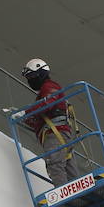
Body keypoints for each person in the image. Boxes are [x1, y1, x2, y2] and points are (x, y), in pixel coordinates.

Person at [21, 58, 79, 186]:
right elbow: (42, 115)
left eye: (31, 76)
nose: (30, 80)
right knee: (70, 171)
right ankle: (78, 197)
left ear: (40, 74)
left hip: (55, 135)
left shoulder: (49, 87)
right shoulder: (47, 90)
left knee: (55, 165)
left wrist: (26, 113)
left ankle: (65, 198)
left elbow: (46, 104)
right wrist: (27, 118)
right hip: (61, 134)